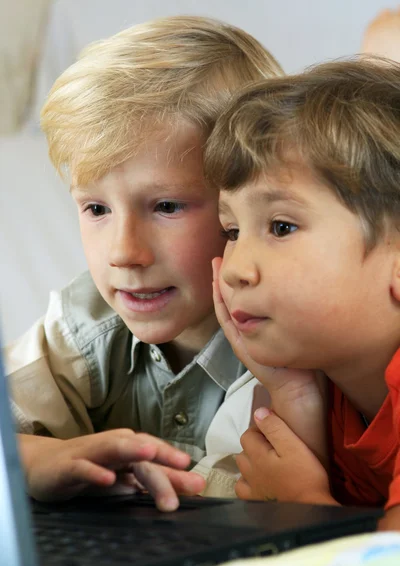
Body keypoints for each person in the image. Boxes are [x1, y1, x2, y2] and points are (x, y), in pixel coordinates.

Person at [6, 15, 284, 511]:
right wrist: (38, 460)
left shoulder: (284, 347)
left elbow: (227, 508)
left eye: (166, 206)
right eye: (96, 209)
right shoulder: (85, 322)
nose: (123, 252)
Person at [197, 56, 400, 530]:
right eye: (231, 231)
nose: (235, 270)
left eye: (281, 226)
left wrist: (304, 505)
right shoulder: (318, 379)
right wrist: (290, 393)